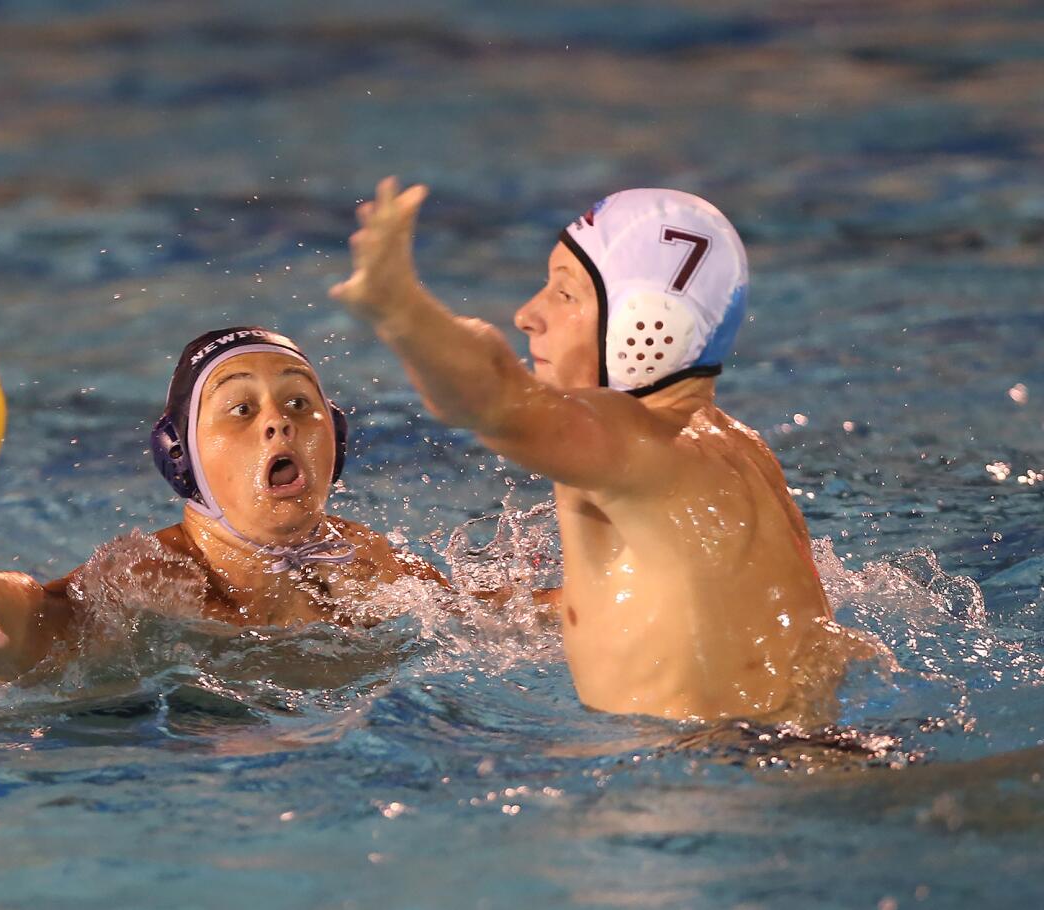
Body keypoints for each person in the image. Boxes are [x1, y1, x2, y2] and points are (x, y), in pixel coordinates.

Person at [330, 177, 869, 722]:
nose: (527, 314)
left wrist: (399, 308)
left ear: (647, 323)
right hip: (787, 754)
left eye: (564, 293)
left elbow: (495, 398)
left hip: (705, 778)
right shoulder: (739, 447)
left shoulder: (639, 444)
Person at [0, 327, 445, 683]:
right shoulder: (156, 577)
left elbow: (508, 619)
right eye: (240, 409)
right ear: (181, 459)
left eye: (300, 404)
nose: (279, 424)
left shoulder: (361, 564)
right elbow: (42, 621)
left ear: (336, 436)